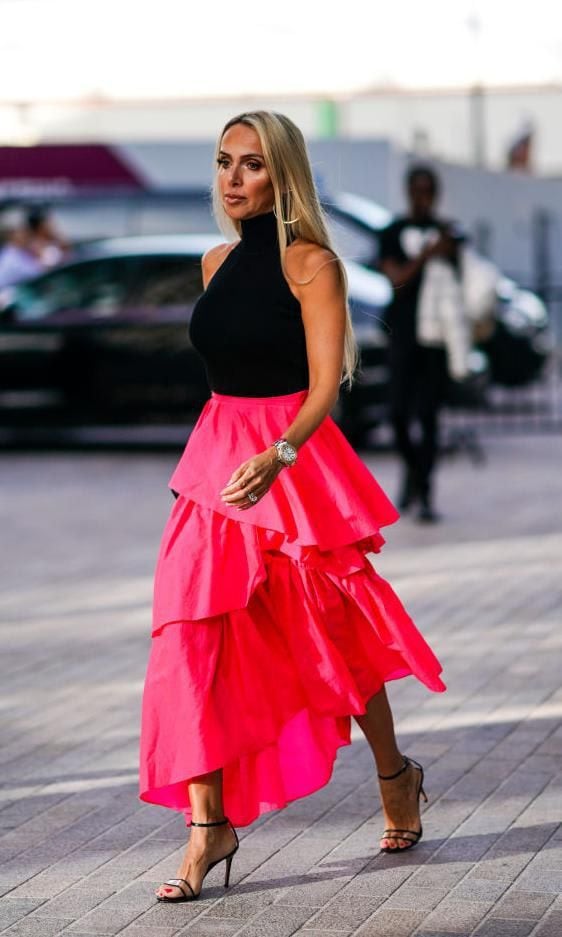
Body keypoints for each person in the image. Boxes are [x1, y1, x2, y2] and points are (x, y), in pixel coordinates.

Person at [139, 112, 446, 905]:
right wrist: (235, 459)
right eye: (222, 163)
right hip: (213, 467)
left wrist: (278, 457)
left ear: (283, 176)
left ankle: (396, 774)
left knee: (333, 634)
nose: (232, 179)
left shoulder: (313, 264)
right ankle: (208, 823)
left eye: (251, 166)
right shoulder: (214, 263)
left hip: (286, 465)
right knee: (188, 636)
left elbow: (321, 388)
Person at [378, 166, 461, 522]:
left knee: (429, 417)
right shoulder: (393, 232)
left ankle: (426, 492)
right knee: (397, 414)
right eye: (417, 190)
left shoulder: (449, 234)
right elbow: (395, 279)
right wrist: (427, 255)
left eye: (429, 190)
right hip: (402, 334)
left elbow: (462, 285)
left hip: (436, 340)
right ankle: (411, 474)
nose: (423, 197)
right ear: (408, 192)